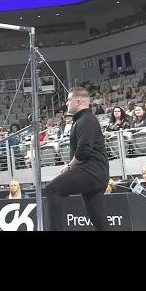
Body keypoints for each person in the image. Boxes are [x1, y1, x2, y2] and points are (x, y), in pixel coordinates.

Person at [45, 87, 110, 231]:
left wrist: (69, 166)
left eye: (69, 100)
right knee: (98, 218)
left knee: (52, 189)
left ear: (78, 101)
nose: (67, 103)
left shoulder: (86, 120)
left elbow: (84, 152)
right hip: (98, 173)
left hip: (91, 170)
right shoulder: (83, 120)